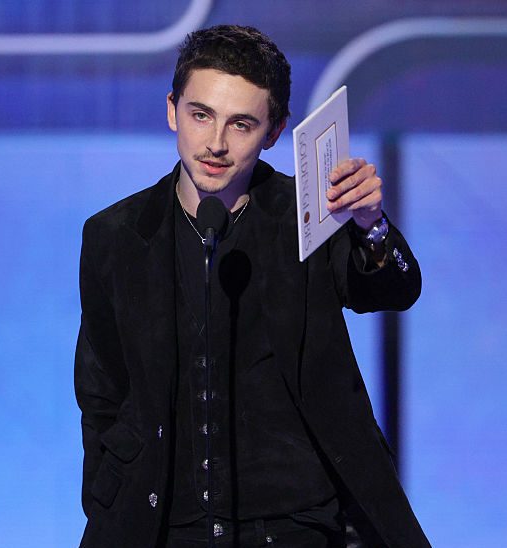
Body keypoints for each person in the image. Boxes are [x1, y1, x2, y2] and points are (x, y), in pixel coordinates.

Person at [75, 24, 430, 547]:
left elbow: (393, 291)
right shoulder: (115, 236)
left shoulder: (309, 216)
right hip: (164, 527)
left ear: (274, 131)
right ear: (173, 110)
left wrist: (371, 225)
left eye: (241, 125)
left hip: (295, 524)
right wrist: (109, 501)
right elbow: (101, 392)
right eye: (201, 116)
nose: (215, 144)